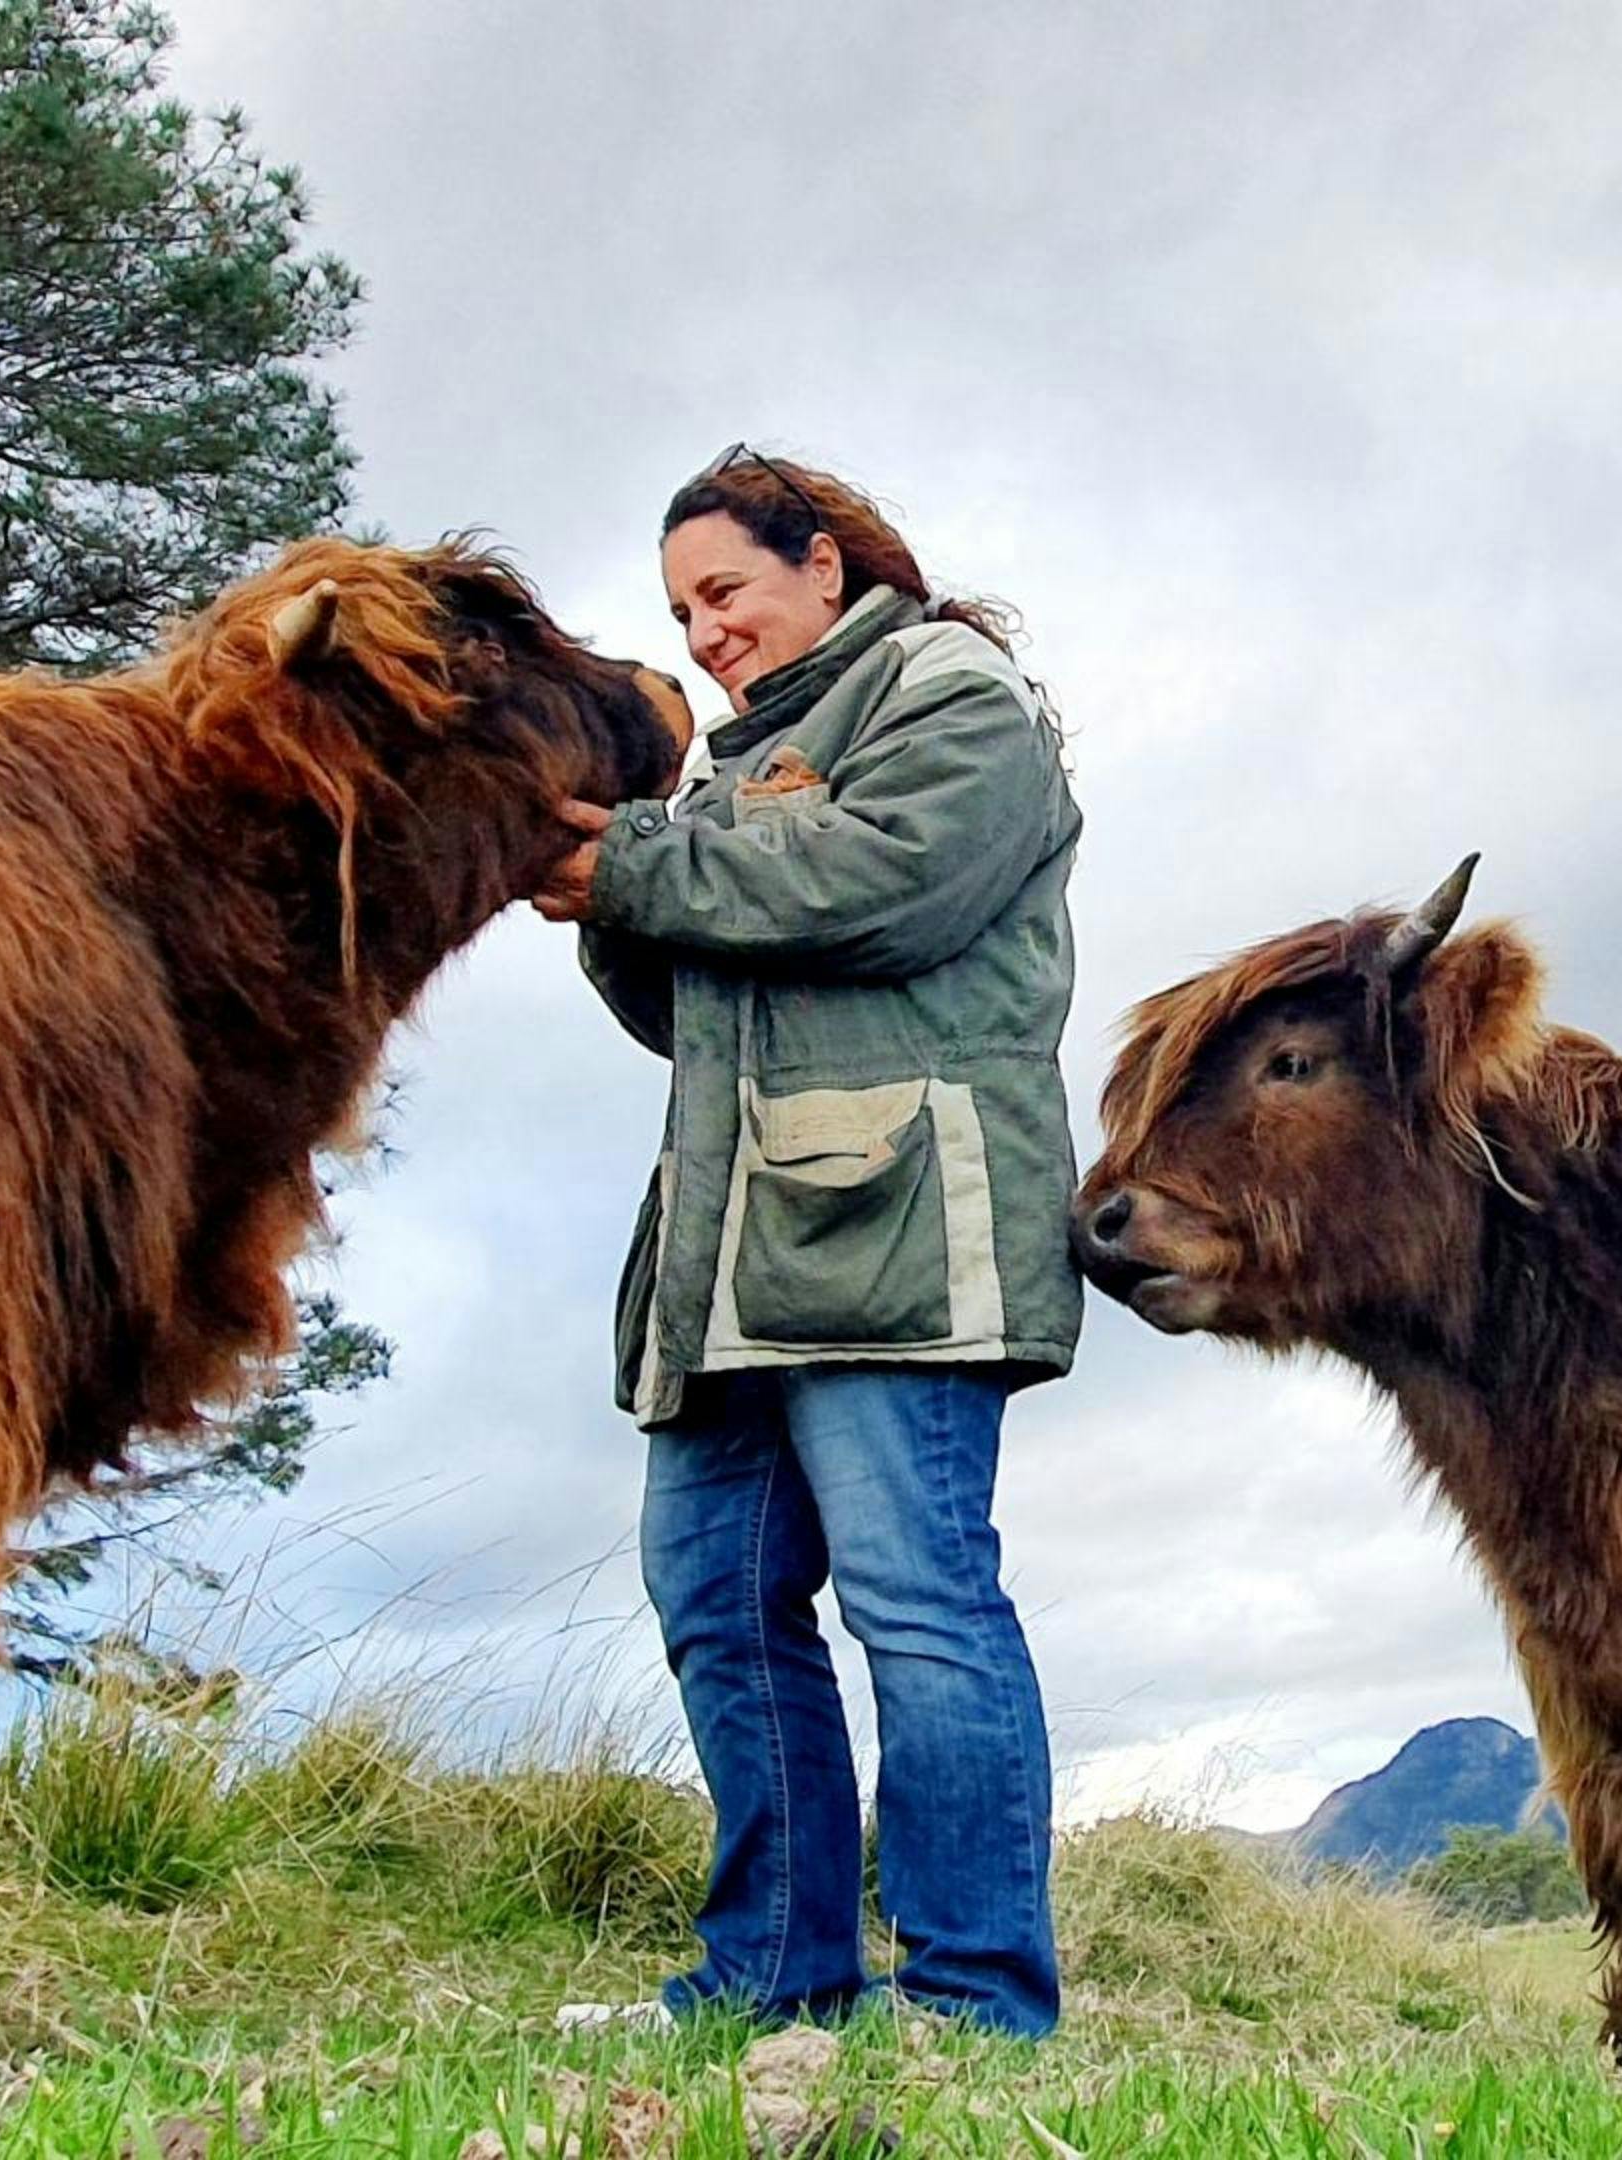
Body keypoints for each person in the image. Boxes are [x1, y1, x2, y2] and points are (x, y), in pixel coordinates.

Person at [537, 446, 1083, 2039]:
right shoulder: (719, 782)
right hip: (731, 1259)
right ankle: (772, 1979)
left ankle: (974, 2001)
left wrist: (632, 865)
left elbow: (880, 885)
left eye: (725, 590)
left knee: (919, 1604)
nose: (704, 632)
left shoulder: (953, 694)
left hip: (900, 1233)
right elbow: (690, 1010)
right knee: (716, 1600)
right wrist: (612, 896)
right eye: (679, 614)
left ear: (824, 565)